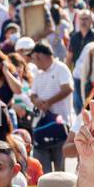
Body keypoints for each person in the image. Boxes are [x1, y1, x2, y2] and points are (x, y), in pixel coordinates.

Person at [29, 43, 74, 172]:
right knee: (44, 170)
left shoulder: (61, 68)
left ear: (39, 56)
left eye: (33, 58)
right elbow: (32, 94)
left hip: (60, 125)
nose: (34, 62)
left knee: (60, 170)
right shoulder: (38, 74)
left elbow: (68, 88)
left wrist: (49, 102)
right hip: (42, 125)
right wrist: (37, 101)